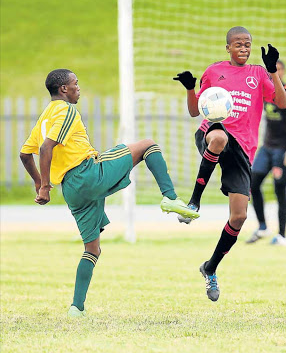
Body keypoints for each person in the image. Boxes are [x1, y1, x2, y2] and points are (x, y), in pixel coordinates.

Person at [20, 69, 199, 317]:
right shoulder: (66, 110)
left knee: (92, 249)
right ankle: (169, 197)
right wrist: (44, 186)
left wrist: (41, 183)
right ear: (64, 89)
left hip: (71, 191)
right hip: (87, 173)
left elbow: (24, 153)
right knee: (148, 145)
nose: (78, 88)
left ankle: (76, 308)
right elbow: (46, 147)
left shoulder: (43, 119)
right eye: (75, 84)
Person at [174, 26, 286, 302]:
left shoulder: (259, 74)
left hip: (243, 149)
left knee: (239, 217)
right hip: (212, 132)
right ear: (228, 47)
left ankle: (210, 268)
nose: (244, 47)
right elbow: (194, 111)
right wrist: (191, 89)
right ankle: (193, 203)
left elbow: (282, 103)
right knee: (218, 137)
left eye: (247, 44)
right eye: (238, 43)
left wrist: (272, 69)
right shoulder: (214, 72)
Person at [246, 60, 286, 246]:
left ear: (282, 72)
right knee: (252, 183)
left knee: (279, 189)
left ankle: (282, 235)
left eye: (278, 69)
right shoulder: (263, 91)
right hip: (267, 148)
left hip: (284, 149)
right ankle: (262, 227)